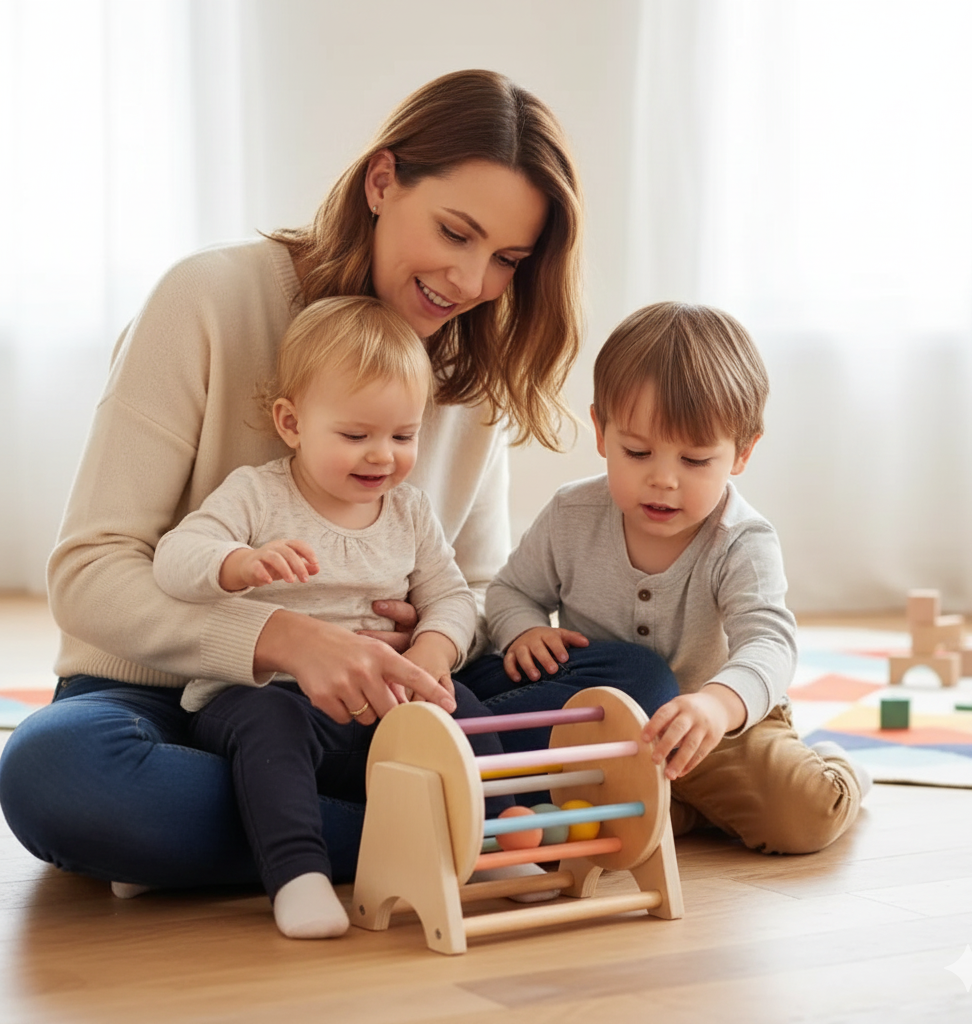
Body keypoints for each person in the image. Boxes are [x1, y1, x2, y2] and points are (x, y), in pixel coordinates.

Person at [0, 69, 678, 894]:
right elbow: (89, 574)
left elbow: (471, 589)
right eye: (455, 233)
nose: (470, 282)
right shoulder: (209, 299)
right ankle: (447, 828)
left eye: (506, 259)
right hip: (178, 699)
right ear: (382, 181)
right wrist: (283, 638)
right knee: (56, 774)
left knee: (630, 685)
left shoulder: (469, 366)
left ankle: (298, 823)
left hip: (385, 705)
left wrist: (428, 642)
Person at [152, 295, 517, 938]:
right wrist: (238, 562)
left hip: (383, 704)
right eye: (355, 436)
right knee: (267, 731)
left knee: (461, 705)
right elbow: (175, 557)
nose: (382, 456)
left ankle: (497, 833)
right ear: (291, 423)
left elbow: (455, 597)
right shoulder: (257, 494)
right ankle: (298, 875)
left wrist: (432, 652)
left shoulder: (408, 511)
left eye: (403, 436)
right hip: (274, 698)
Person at [481, 302, 871, 855]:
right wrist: (522, 629)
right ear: (600, 430)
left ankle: (838, 769)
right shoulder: (572, 515)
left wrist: (716, 705)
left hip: (719, 730)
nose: (663, 480)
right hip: (604, 735)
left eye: (694, 461)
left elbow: (770, 642)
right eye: (637, 452)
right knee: (567, 827)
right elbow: (509, 591)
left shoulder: (741, 540)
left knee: (802, 818)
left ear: (742, 452)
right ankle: (683, 810)